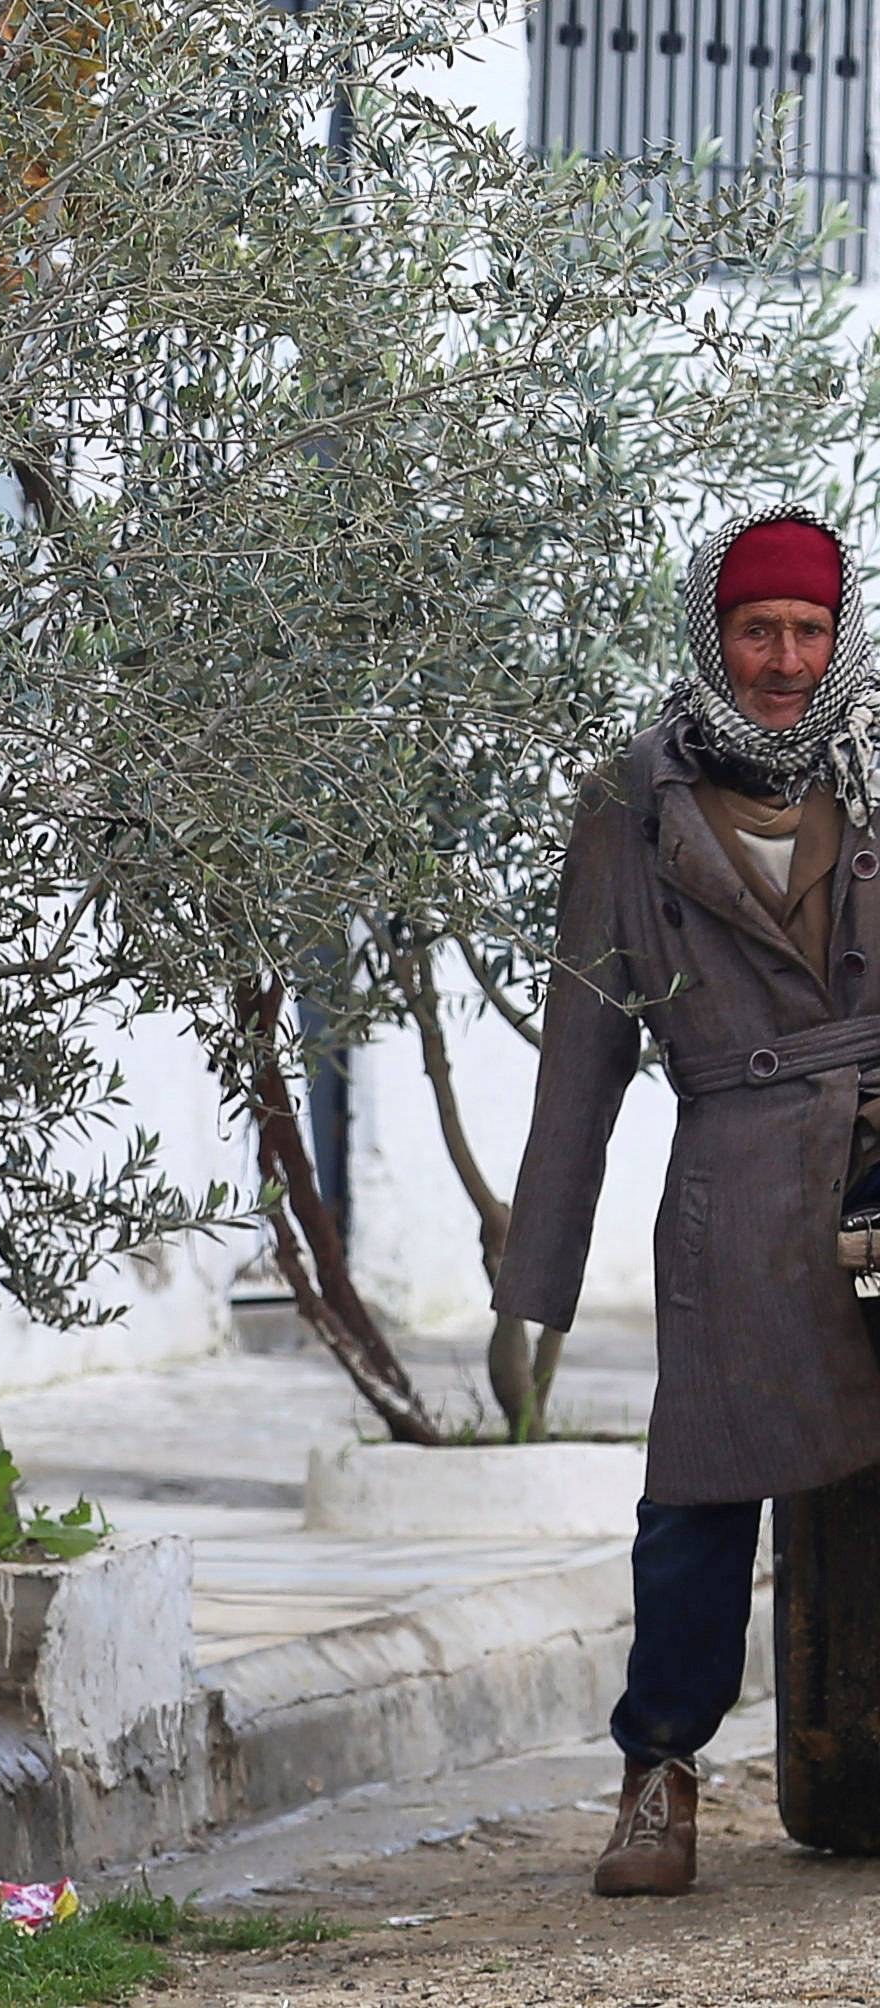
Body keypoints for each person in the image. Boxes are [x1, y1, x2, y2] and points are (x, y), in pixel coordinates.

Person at [494, 505, 880, 1899]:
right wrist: (536, 1279)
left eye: (809, 631)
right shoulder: (633, 796)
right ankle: (659, 1773)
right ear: (714, 635)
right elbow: (585, 1039)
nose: (785, 660)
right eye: (758, 630)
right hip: (737, 1183)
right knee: (701, 1495)